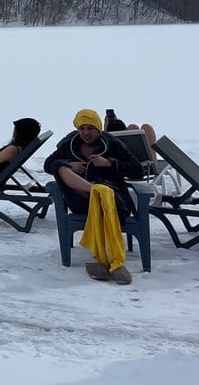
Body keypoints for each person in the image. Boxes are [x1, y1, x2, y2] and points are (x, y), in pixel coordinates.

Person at [44, 109, 143, 285]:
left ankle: (110, 258)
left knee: (104, 198)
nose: (86, 133)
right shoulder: (69, 145)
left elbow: (137, 170)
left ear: (98, 128)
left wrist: (110, 163)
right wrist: (69, 164)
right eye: (82, 128)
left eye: (90, 128)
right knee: (59, 167)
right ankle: (96, 191)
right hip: (82, 199)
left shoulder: (112, 144)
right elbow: (47, 165)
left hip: (113, 200)